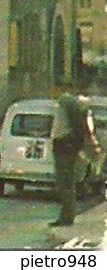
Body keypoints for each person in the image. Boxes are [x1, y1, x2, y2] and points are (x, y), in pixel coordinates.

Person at [51, 80, 100, 227]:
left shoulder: (66, 102)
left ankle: (67, 216)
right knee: (65, 182)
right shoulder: (68, 103)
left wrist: (76, 145)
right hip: (66, 145)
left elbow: (77, 125)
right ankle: (66, 215)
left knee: (65, 182)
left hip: (65, 146)